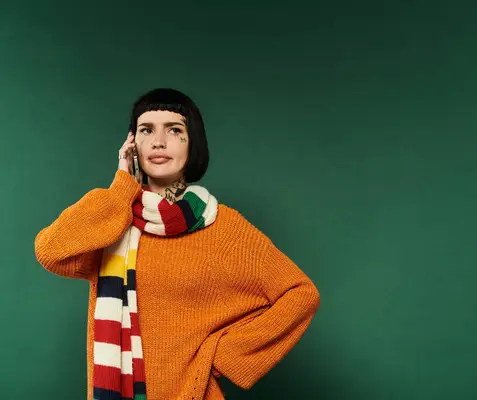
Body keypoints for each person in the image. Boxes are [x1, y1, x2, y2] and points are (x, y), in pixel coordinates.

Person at [34, 88, 321, 400]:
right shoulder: (111, 223)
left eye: (174, 130)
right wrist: (121, 186)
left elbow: (300, 294)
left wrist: (220, 355)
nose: (159, 141)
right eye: (146, 130)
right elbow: (51, 250)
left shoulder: (222, 225)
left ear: (192, 142)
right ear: (132, 145)